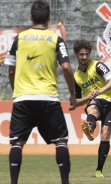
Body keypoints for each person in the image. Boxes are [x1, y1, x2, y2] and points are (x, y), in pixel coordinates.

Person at [4, 1, 76, 184]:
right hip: (48, 98)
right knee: (61, 141)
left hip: (23, 98)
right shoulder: (55, 39)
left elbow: (11, 69)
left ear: (30, 17)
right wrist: (73, 94)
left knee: (17, 142)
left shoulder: (19, 39)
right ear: (49, 18)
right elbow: (67, 67)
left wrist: (16, 90)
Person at [73, 39, 111, 178]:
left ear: (89, 54)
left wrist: (100, 90)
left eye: (86, 54)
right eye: (81, 54)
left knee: (105, 133)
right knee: (92, 108)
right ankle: (89, 128)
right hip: (95, 101)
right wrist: (87, 97)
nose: (84, 57)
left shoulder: (98, 66)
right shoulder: (76, 76)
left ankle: (99, 170)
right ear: (76, 54)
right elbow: (77, 101)